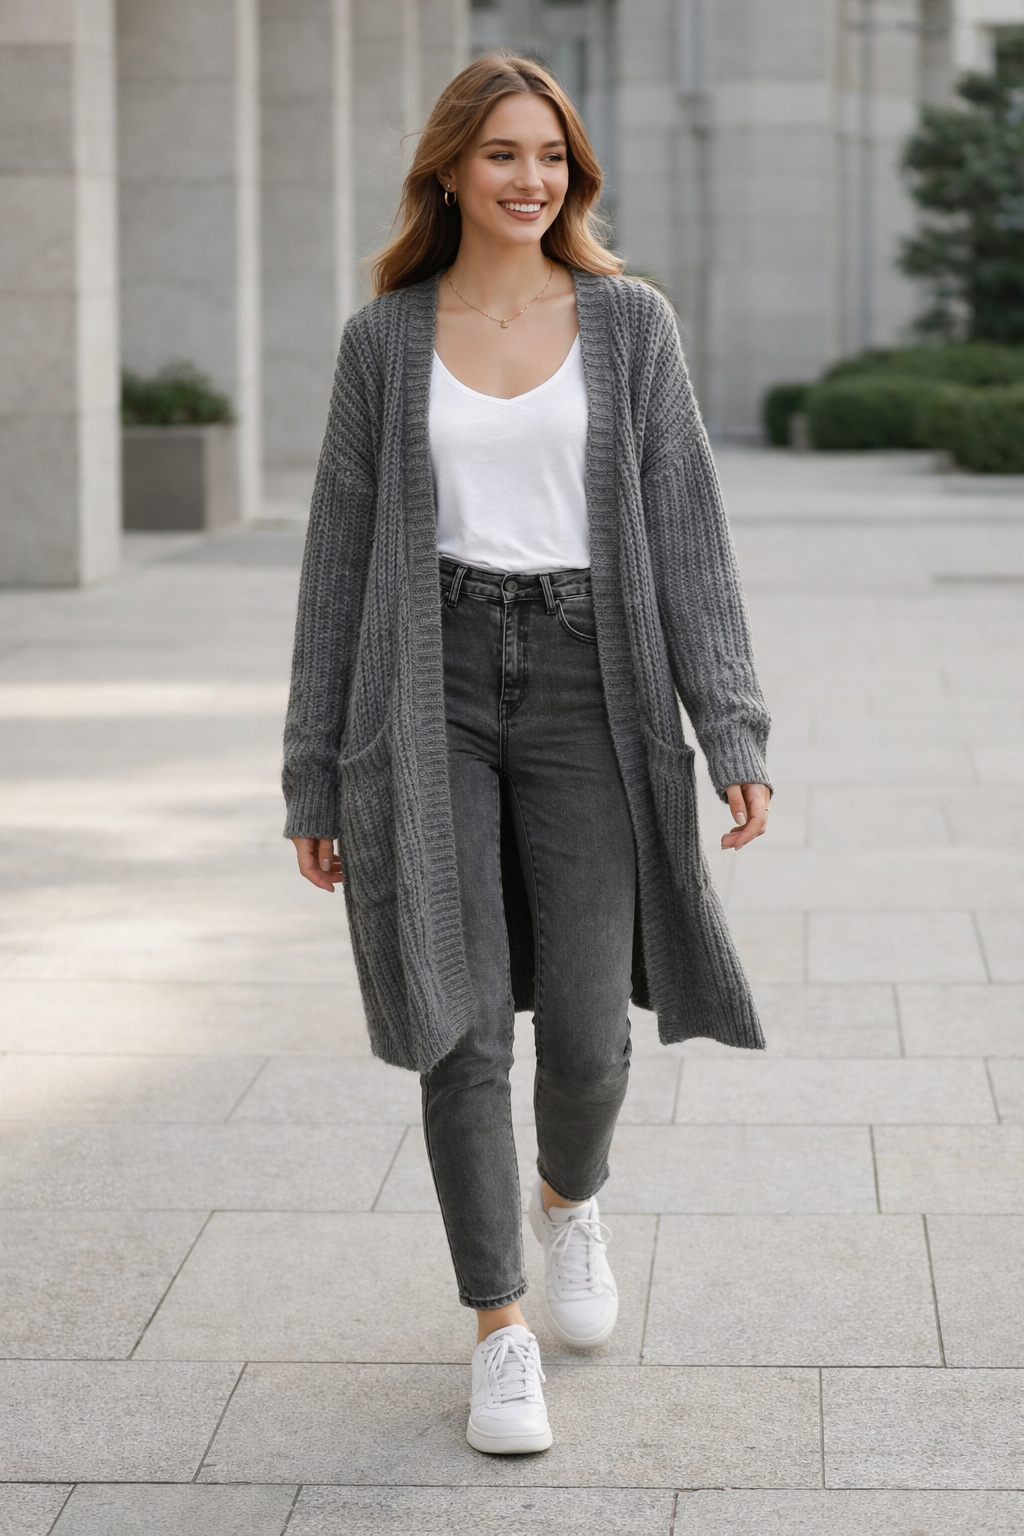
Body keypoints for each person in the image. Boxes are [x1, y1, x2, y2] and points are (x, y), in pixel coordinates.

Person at [283, 52, 771, 1456]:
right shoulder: (385, 340)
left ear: (575, 173)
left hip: (585, 681)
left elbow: (686, 534)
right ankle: (498, 1325)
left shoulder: (629, 326)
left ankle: (570, 1193)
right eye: (502, 153)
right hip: (424, 681)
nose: (529, 178)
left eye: (549, 155)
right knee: (458, 1018)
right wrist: (314, 769)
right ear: (450, 168)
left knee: (587, 1029)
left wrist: (727, 721)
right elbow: (334, 568)